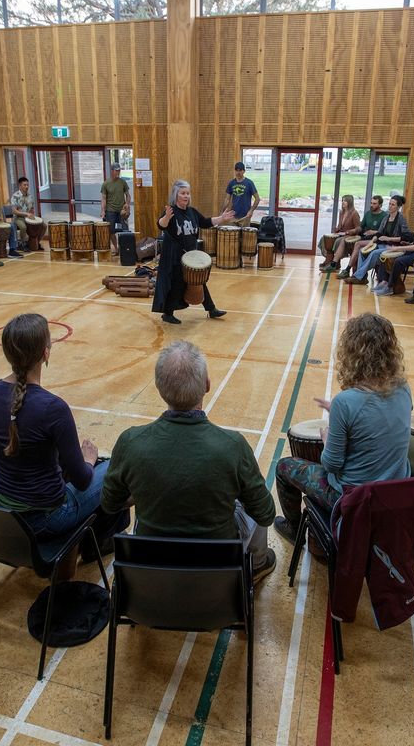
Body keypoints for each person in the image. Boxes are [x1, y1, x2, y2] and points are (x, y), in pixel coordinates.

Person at [102, 340, 277, 581]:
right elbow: (266, 513)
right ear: (207, 385)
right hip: (216, 566)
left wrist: (146, 489)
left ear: (158, 387)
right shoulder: (233, 445)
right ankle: (257, 564)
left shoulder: (130, 442)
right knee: (254, 496)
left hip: (152, 563)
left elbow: (110, 504)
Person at [0, 313, 129, 563]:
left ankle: (98, 540)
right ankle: (100, 541)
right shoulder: (53, 407)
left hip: (2, 511)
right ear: (46, 353)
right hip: (45, 519)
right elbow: (82, 481)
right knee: (117, 469)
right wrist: (89, 459)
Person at [274, 313, 413, 544]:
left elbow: (332, 464)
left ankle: (293, 528)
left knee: (284, 466)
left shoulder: (346, 401)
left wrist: (328, 438)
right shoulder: (403, 387)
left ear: (351, 351)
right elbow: (383, 421)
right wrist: (342, 415)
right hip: (394, 489)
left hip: (355, 497)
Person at [152, 179, 234, 324]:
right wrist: (166, 218)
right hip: (174, 256)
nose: (186, 196)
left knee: (199, 281)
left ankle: (211, 309)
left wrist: (221, 218)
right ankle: (167, 313)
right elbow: (161, 225)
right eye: (183, 193)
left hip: (190, 255)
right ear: (176, 195)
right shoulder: (170, 211)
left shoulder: (192, 212)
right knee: (176, 284)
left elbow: (206, 222)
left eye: (188, 193)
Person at [374, 200, 414, 298]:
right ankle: (384, 281)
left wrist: (397, 248)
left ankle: (390, 287)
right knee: (384, 256)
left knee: (399, 261)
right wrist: (407, 244)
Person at [348, 194, 410, 285]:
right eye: (389, 204)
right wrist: (370, 243)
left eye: (393, 205)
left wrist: (389, 238)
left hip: (393, 247)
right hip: (383, 244)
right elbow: (379, 233)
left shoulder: (401, 219)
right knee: (362, 251)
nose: (390, 206)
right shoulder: (386, 218)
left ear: (398, 207)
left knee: (374, 253)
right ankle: (362, 276)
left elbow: (406, 237)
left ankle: (358, 276)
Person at [337, 195, 387, 279]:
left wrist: (373, 232)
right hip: (366, 238)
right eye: (371, 203)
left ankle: (348, 269)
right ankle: (358, 273)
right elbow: (361, 227)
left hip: (377, 239)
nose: (372, 205)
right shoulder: (368, 214)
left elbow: (384, 232)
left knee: (358, 244)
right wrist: (354, 230)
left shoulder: (384, 216)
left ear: (380, 205)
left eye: (374, 203)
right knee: (352, 243)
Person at [319, 194, 362, 272]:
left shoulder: (354, 213)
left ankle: (335, 263)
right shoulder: (342, 212)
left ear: (349, 202)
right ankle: (328, 259)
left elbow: (358, 228)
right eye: (342, 201)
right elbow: (340, 225)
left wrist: (349, 231)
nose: (343, 202)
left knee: (338, 241)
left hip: (350, 235)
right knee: (324, 238)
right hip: (341, 233)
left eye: (345, 201)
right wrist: (336, 229)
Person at [100, 163, 131, 252]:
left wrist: (127, 204)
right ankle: (116, 248)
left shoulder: (123, 182)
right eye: (116, 170)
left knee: (124, 230)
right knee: (111, 231)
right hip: (110, 211)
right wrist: (103, 211)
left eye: (119, 170)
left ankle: (125, 249)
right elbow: (103, 198)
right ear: (112, 171)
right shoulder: (106, 183)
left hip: (122, 211)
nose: (118, 172)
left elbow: (128, 195)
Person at [223, 161, 260, 226]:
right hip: (233, 216)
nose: (238, 172)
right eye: (236, 170)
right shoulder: (231, 183)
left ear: (244, 171)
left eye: (240, 170)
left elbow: (257, 199)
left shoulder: (249, 183)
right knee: (232, 235)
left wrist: (251, 211)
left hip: (245, 216)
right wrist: (223, 211)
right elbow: (227, 199)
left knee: (244, 236)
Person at [8, 178, 35, 252]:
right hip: (18, 218)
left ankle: (35, 243)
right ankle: (23, 244)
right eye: (24, 185)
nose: (27, 186)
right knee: (23, 227)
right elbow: (14, 211)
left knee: (42, 226)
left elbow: (32, 209)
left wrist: (33, 216)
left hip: (28, 217)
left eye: (27, 185)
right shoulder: (15, 196)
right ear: (20, 186)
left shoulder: (30, 196)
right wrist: (26, 214)